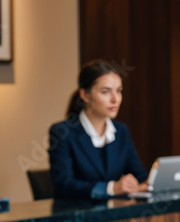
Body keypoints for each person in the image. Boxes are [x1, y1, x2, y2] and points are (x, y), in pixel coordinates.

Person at [48, 60, 148, 200]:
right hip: (75, 216)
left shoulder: (121, 131)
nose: (115, 99)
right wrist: (111, 188)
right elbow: (64, 184)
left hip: (112, 214)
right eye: (105, 92)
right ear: (85, 95)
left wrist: (142, 185)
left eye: (119, 91)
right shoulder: (62, 132)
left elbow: (140, 175)